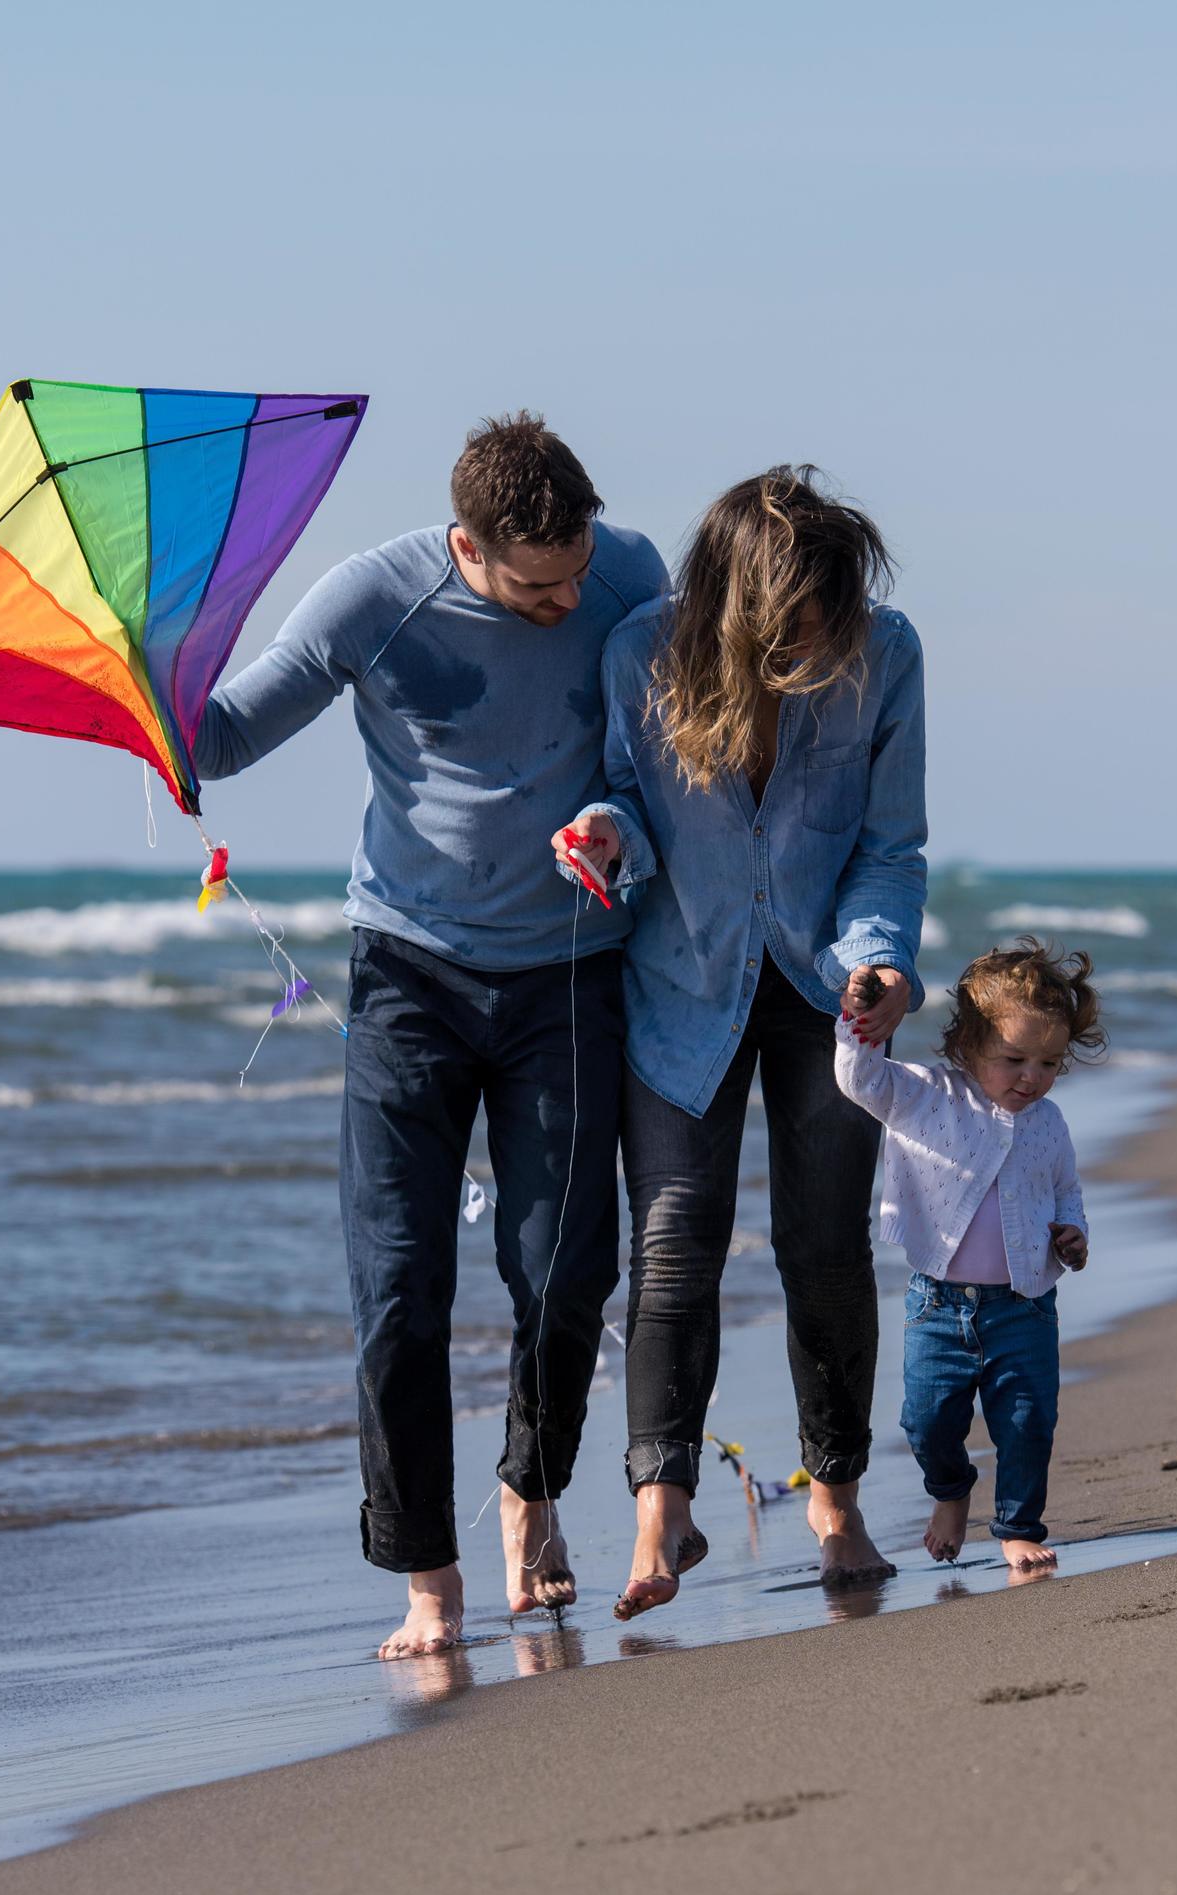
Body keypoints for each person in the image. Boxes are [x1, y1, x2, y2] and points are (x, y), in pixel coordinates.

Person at [193, 413, 667, 1659]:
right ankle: (427, 1582)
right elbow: (225, 739)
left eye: (576, 572)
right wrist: (143, 691)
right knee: (399, 1286)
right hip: (408, 975)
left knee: (565, 1272)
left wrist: (614, 820)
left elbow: (649, 766)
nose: (568, 599)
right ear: (467, 544)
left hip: (569, 972)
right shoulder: (370, 602)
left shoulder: (631, 575)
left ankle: (530, 1489)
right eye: (536, 585)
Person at [553, 467, 927, 1618]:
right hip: (684, 983)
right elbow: (629, 801)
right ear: (735, 605)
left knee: (824, 1250)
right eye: (795, 624)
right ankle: (660, 1510)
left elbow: (891, 841)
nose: (818, 643)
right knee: (672, 1247)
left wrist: (882, 962)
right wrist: (605, 835)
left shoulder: (886, 653)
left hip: (829, 985)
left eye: (831, 617)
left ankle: (838, 1504)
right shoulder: (640, 655)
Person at [833, 939, 1102, 1574]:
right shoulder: (925, 1096)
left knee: (1027, 1423)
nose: (1031, 1076)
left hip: (1025, 1306)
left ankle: (1016, 1526)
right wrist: (858, 1018)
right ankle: (951, 1493)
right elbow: (858, 1077)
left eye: (1048, 1063)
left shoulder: (1050, 1123)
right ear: (967, 1047)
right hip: (938, 1304)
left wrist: (1073, 1233)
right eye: (1013, 1059)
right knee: (926, 1422)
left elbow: (1065, 1191)